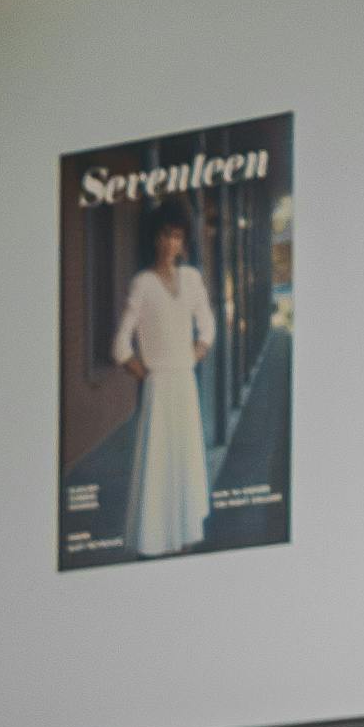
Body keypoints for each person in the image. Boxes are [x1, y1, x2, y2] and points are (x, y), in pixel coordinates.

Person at [115, 217, 222, 559]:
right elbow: (120, 344)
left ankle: (187, 534)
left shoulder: (191, 279)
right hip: (160, 386)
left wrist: (195, 352)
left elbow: (207, 325)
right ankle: (155, 540)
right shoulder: (142, 283)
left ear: (183, 241)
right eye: (165, 234)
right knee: (159, 460)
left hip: (185, 384)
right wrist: (145, 372)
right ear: (154, 237)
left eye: (177, 236)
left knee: (186, 459)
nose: (171, 242)